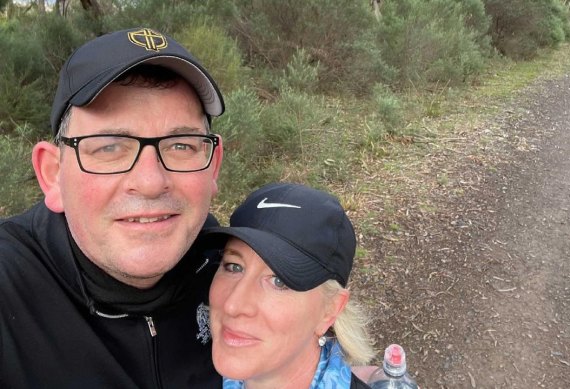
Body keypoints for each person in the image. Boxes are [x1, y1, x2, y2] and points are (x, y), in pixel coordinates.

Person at [0, 27, 225, 388]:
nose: (151, 182)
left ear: (212, 166)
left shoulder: (231, 271)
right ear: (52, 174)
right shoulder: (9, 286)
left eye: (181, 145)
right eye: (108, 147)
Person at [200, 182, 376, 389]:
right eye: (234, 267)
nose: (233, 305)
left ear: (330, 309)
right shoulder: (186, 366)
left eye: (279, 281)